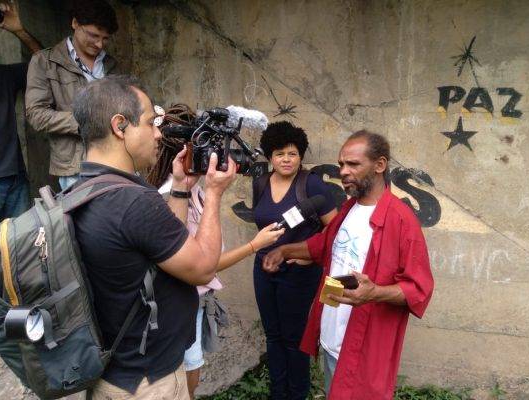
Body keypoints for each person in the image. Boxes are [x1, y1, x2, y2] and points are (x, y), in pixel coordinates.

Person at [71, 75, 236, 400]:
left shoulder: (86, 189)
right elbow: (204, 268)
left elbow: (161, 249)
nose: (159, 133)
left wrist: (180, 188)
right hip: (149, 383)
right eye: (150, 123)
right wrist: (215, 193)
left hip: (116, 373)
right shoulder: (133, 202)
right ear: (120, 126)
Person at [263, 130, 434, 400]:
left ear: (379, 165)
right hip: (332, 338)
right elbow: (324, 245)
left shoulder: (402, 220)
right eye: (341, 164)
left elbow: (419, 289)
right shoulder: (349, 208)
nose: (343, 171)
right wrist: (284, 250)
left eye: (353, 164)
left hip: (362, 350)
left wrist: (375, 292)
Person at [146, 104, 285, 397]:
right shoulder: (171, 198)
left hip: (192, 303)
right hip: (178, 306)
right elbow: (200, 265)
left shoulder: (191, 188)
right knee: (185, 378)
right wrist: (254, 245)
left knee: (192, 371)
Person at [253, 121, 337, 400]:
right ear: (270, 157)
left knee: (294, 338)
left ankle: (297, 394)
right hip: (264, 268)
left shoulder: (311, 184)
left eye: (292, 153)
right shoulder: (260, 183)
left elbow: (334, 228)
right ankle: (278, 393)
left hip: (299, 272)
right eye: (279, 154)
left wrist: (308, 256)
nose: (286, 159)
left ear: (301, 155)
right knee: (273, 335)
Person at [25, 0, 119, 191]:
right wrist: (83, 122)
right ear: (75, 23)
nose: (99, 44)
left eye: (105, 38)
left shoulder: (111, 64)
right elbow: (36, 114)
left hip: (115, 160)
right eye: (93, 35)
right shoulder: (44, 61)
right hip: (75, 167)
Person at [0, 0, 41, 222]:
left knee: (22, 243)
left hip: (15, 178)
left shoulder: (4, 75)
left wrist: (19, 30)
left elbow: (45, 63)